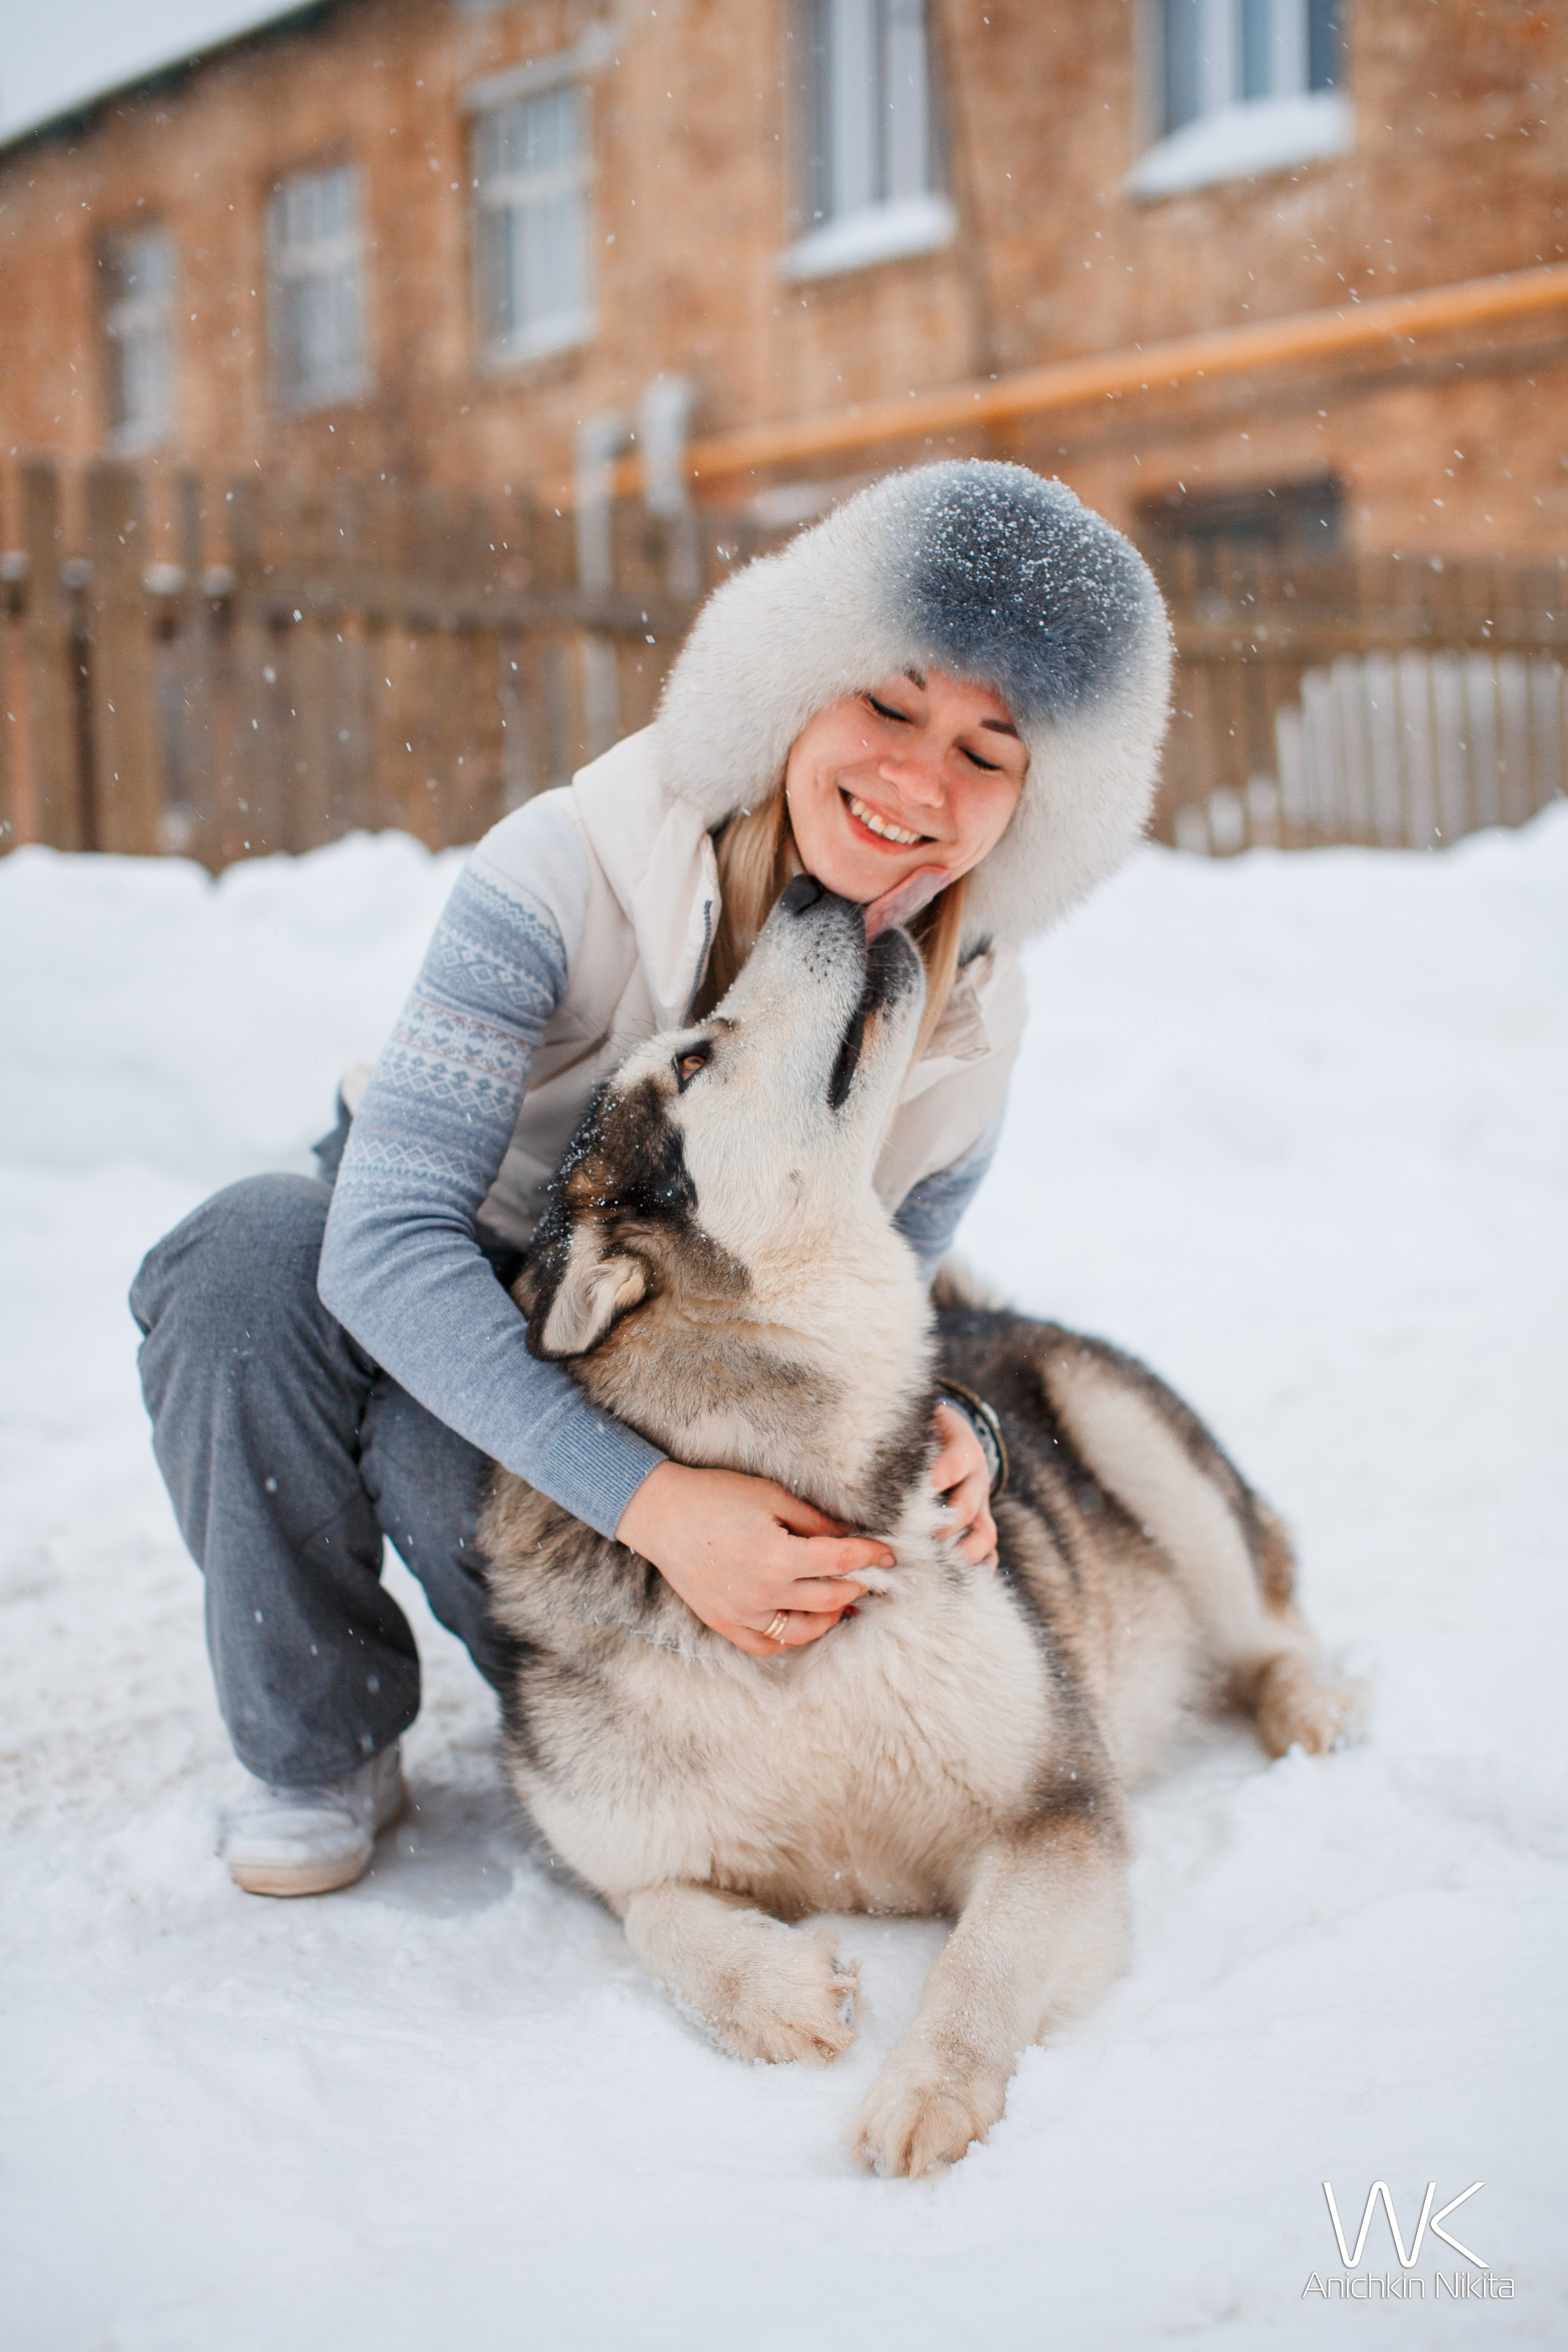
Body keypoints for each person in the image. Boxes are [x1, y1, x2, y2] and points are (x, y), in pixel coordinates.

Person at [130, 460, 1170, 1898]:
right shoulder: (561, 866)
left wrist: (961, 1443)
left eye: (986, 755)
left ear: (1033, 806)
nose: (918, 784)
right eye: (887, 703)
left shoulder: (970, 1024)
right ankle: (317, 1739)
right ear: (796, 679)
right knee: (247, 1267)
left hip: (654, 1356)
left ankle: (651, 1731)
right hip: (438, 1255)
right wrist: (649, 1510)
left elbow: (885, 1315)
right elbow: (379, 1247)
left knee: (543, 1504)